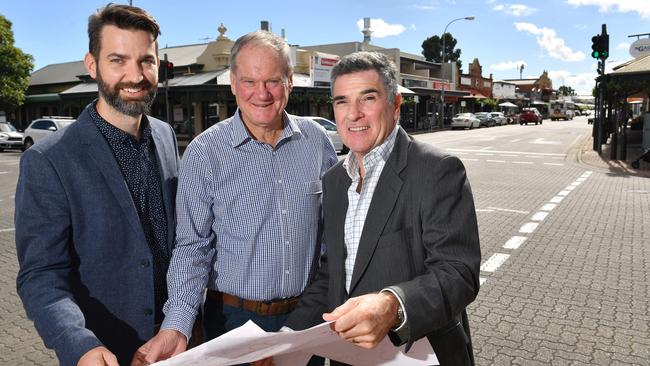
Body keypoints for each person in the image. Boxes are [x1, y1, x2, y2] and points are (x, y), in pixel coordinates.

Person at [132, 30, 337, 364]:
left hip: (307, 317)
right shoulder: (205, 152)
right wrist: (178, 325)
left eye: (272, 81)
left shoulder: (317, 142)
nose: (261, 94)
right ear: (232, 82)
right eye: (249, 81)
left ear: (290, 81)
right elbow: (191, 247)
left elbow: (332, 236)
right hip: (233, 322)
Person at [282, 51, 482, 365]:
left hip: (416, 355)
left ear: (395, 104)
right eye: (342, 101)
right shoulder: (334, 182)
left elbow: (458, 273)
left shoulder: (437, 169)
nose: (353, 114)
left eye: (368, 98)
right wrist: (285, 340)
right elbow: (333, 275)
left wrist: (392, 305)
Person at [15, 4, 179, 366]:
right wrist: (79, 344)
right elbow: (41, 276)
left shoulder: (166, 137)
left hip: (176, 341)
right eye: (118, 60)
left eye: (146, 61)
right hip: (106, 350)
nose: (135, 75)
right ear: (92, 65)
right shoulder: (49, 160)